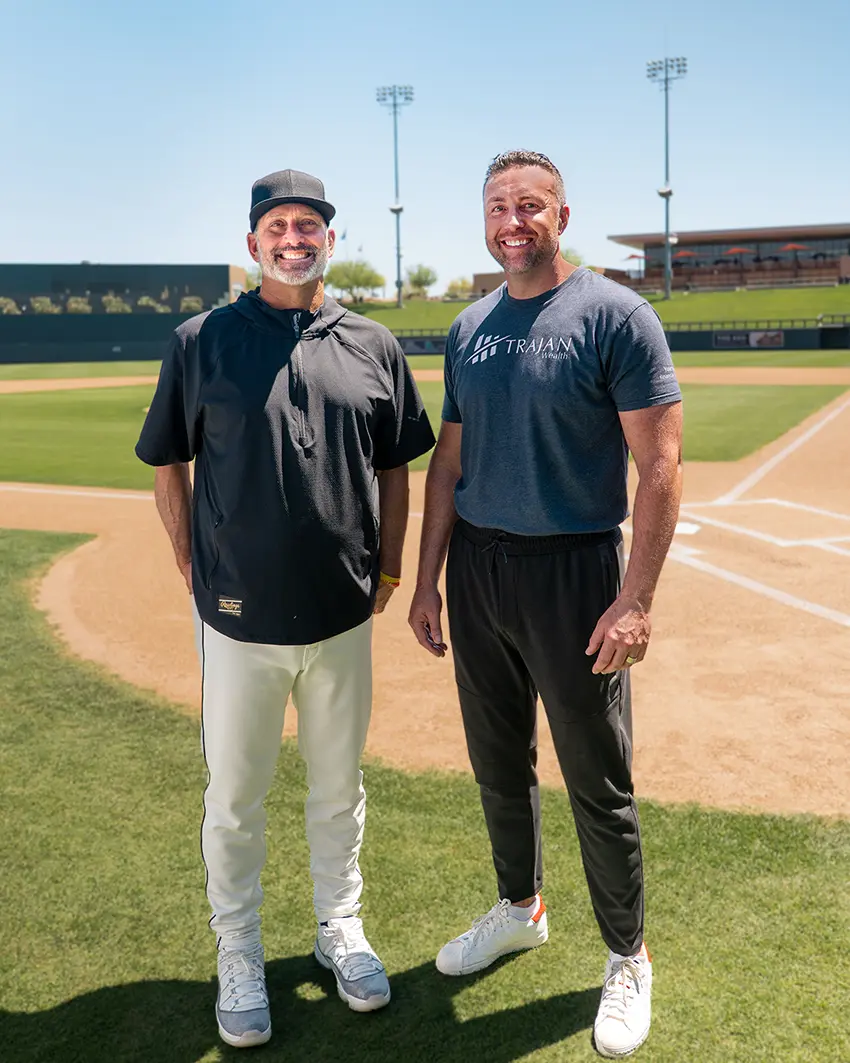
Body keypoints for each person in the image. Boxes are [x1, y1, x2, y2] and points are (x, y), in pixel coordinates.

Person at [136, 169, 435, 1049]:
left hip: (343, 615)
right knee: (236, 796)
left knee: (339, 789)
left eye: (310, 225)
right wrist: (191, 558)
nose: (294, 237)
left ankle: (339, 925)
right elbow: (169, 462)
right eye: (278, 225)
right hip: (237, 620)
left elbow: (395, 466)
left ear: (330, 242)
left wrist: (389, 569)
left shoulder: (375, 344)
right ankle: (239, 945)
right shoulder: (201, 340)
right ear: (253, 242)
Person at [408, 151, 682, 1059]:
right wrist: (426, 578)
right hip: (479, 570)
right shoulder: (469, 325)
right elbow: (448, 462)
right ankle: (519, 904)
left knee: (598, 782)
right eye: (497, 206)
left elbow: (660, 468)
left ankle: (626, 954)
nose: (512, 220)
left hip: (574, 573)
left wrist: (635, 599)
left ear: (563, 213)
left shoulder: (616, 315)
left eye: (530, 204)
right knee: (498, 762)